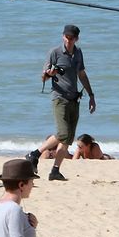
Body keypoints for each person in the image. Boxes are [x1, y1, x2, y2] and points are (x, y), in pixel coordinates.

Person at [25, 25, 96, 181]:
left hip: (74, 99)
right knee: (62, 133)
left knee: (68, 139)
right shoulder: (54, 52)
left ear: (76, 39)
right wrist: (49, 74)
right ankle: (34, 154)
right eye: (66, 37)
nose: (68, 40)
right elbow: (43, 77)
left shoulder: (78, 53)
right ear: (63, 36)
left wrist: (91, 95)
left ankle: (55, 170)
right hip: (60, 98)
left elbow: (82, 74)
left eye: (71, 38)